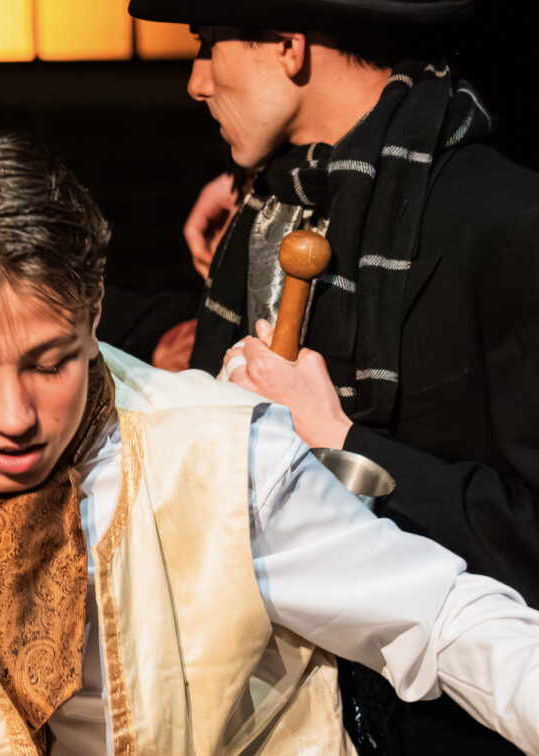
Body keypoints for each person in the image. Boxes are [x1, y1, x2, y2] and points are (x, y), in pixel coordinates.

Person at [0, 127, 539, 754]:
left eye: (51, 362)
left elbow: (445, 619)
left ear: (93, 313)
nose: (15, 415)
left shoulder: (224, 463)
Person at [131, 0, 539, 749]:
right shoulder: (270, 207)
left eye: (208, 44)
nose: (196, 81)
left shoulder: (505, 219)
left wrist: (341, 439)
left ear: (288, 47)